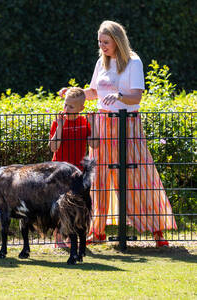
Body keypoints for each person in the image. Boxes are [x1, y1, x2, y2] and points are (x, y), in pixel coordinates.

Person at [60, 20, 176, 247]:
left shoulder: (133, 62)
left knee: (138, 176)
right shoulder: (101, 62)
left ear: (117, 40)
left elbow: (136, 97)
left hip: (128, 125)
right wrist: (74, 93)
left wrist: (120, 96)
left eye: (106, 42)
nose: (102, 46)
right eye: (99, 42)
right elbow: (93, 92)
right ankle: (97, 230)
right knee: (98, 178)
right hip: (102, 126)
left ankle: (157, 232)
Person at [49, 87, 99, 247]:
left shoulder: (84, 122)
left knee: (77, 206)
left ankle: (72, 238)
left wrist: (93, 124)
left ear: (81, 109)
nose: (66, 109)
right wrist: (60, 127)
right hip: (59, 172)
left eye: (71, 107)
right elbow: (53, 147)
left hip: (78, 173)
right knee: (59, 205)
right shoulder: (58, 121)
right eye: (65, 105)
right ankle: (58, 239)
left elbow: (95, 144)